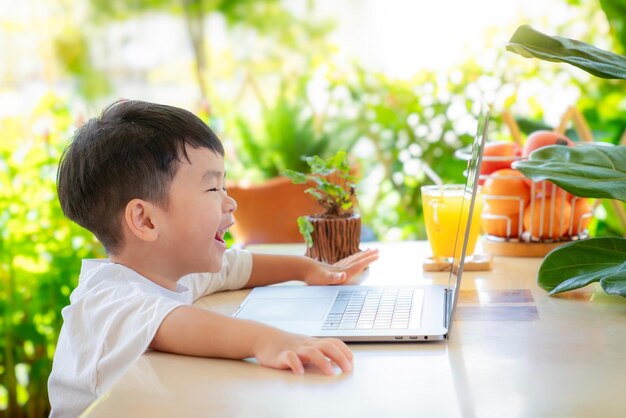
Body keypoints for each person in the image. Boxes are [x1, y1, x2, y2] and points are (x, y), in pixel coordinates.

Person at [47, 99, 379, 417]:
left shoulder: (169, 268)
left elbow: (236, 266)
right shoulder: (107, 302)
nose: (230, 202)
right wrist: (267, 340)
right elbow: (172, 322)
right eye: (212, 189)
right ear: (146, 220)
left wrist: (308, 269)